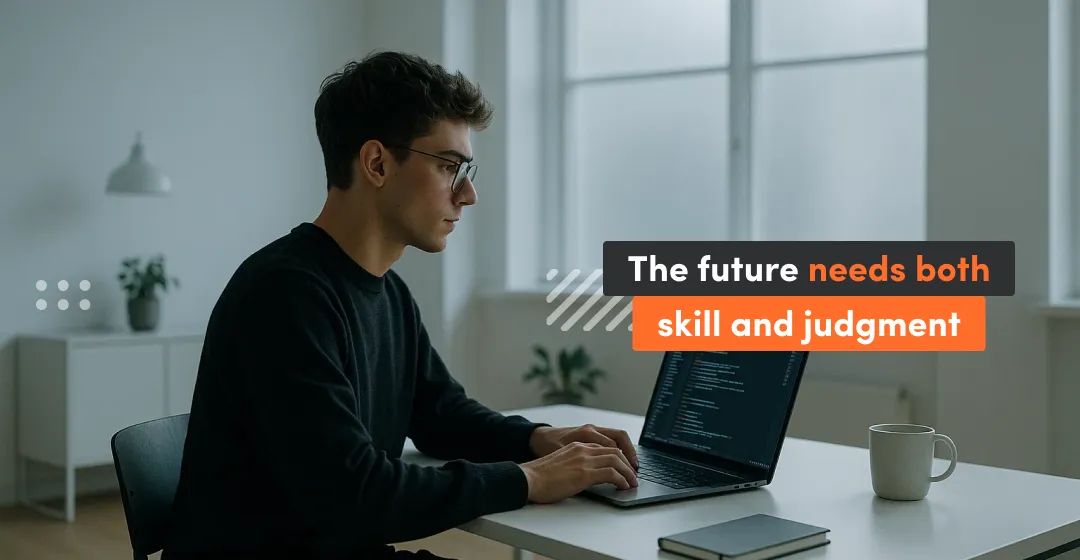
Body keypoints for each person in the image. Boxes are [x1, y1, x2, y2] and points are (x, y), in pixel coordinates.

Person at [161, 51, 639, 560]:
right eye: (450, 167)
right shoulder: (284, 295)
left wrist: (539, 440)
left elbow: (440, 416)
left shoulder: (387, 292)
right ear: (377, 163)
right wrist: (526, 479)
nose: (469, 194)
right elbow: (357, 494)